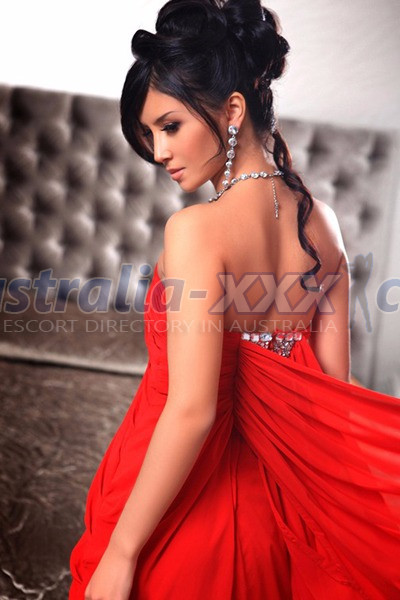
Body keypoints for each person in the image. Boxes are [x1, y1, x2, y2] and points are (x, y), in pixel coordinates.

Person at [69, 1, 400, 598]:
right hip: (282, 509)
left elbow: (193, 411)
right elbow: (333, 397)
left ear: (233, 111)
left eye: (170, 126)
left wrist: (122, 551)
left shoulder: (196, 232)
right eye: (150, 134)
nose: (159, 151)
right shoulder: (324, 225)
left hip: (188, 498)